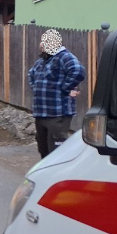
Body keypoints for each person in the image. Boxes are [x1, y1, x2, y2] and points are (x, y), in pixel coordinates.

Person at [27, 29, 86, 158]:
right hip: (41, 114)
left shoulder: (64, 57)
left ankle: (59, 176)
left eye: (44, 42)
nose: (41, 45)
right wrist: (36, 88)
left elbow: (78, 71)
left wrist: (64, 89)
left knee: (56, 150)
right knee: (43, 148)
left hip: (57, 114)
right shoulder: (41, 61)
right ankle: (46, 175)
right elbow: (30, 75)